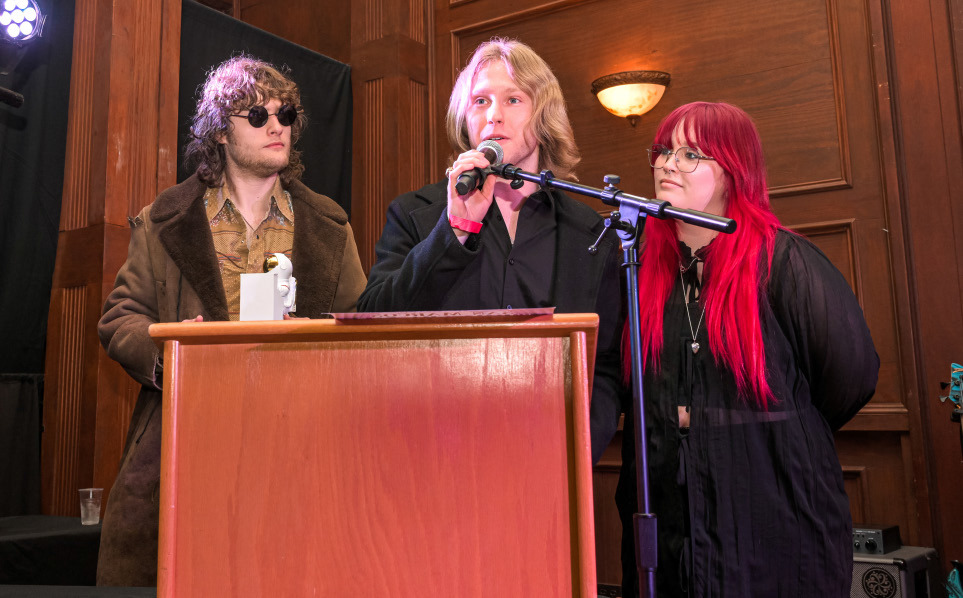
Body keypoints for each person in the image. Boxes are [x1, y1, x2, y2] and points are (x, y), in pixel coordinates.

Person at [96, 55, 366, 586]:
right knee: (190, 576)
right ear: (220, 131)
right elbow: (121, 316)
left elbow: (357, 324)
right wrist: (170, 352)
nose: (277, 126)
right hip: (191, 437)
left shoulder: (329, 224)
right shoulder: (166, 219)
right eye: (258, 115)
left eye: (286, 114)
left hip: (300, 443)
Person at [617, 101, 879, 597]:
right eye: (664, 151)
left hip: (773, 508)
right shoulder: (638, 267)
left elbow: (851, 378)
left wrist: (769, 429)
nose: (668, 164)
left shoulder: (785, 261)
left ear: (733, 170)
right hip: (670, 521)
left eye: (691, 154)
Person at [357, 38, 624, 463]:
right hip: (434, 458)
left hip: (548, 463)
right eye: (480, 101)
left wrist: (576, 451)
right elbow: (372, 324)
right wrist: (453, 232)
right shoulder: (415, 215)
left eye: (513, 99)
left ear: (543, 116)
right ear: (464, 119)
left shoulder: (589, 233)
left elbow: (604, 366)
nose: (493, 115)